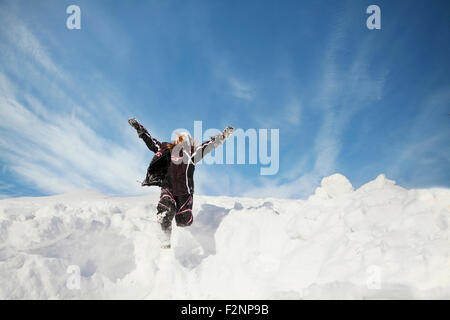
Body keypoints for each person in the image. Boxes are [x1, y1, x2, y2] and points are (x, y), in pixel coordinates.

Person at [129, 118, 234, 248]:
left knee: (184, 221)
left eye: (186, 141)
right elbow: (151, 142)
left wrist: (222, 136)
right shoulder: (166, 148)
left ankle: (186, 245)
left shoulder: (192, 154)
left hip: (184, 192)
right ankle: (164, 237)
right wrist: (140, 129)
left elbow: (208, 146)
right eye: (180, 140)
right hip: (168, 186)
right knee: (167, 207)